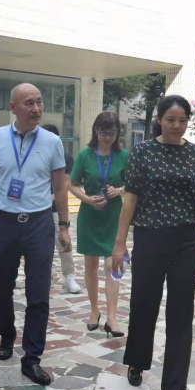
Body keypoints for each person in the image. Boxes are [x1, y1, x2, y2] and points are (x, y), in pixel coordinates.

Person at [112, 95, 195, 390]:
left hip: (185, 241)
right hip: (150, 238)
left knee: (181, 315)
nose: (177, 126)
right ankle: (137, 361)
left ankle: (173, 389)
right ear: (159, 120)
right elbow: (130, 199)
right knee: (144, 304)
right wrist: (119, 243)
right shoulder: (143, 152)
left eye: (182, 120)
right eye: (171, 120)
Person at [0, 83, 72, 386]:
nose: (36, 109)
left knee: (38, 293)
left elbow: (60, 188)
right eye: (28, 103)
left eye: (39, 102)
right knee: (1, 288)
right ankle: (7, 336)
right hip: (4, 223)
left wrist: (63, 226)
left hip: (39, 224)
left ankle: (32, 358)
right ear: (13, 108)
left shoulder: (52, 141)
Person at [70, 112, 129, 336]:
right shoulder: (85, 155)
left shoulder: (123, 156)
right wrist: (87, 199)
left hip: (114, 217)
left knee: (112, 265)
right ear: (96, 131)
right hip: (90, 216)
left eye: (112, 133)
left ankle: (112, 318)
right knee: (91, 266)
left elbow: (133, 184)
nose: (108, 137)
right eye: (104, 133)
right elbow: (72, 184)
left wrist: (119, 190)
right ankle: (94, 311)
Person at [42, 124, 81, 294]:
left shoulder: (65, 157)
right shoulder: (37, 155)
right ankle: (46, 276)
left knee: (63, 243)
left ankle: (69, 276)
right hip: (38, 209)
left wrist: (52, 198)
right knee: (42, 245)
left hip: (57, 209)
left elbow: (65, 183)